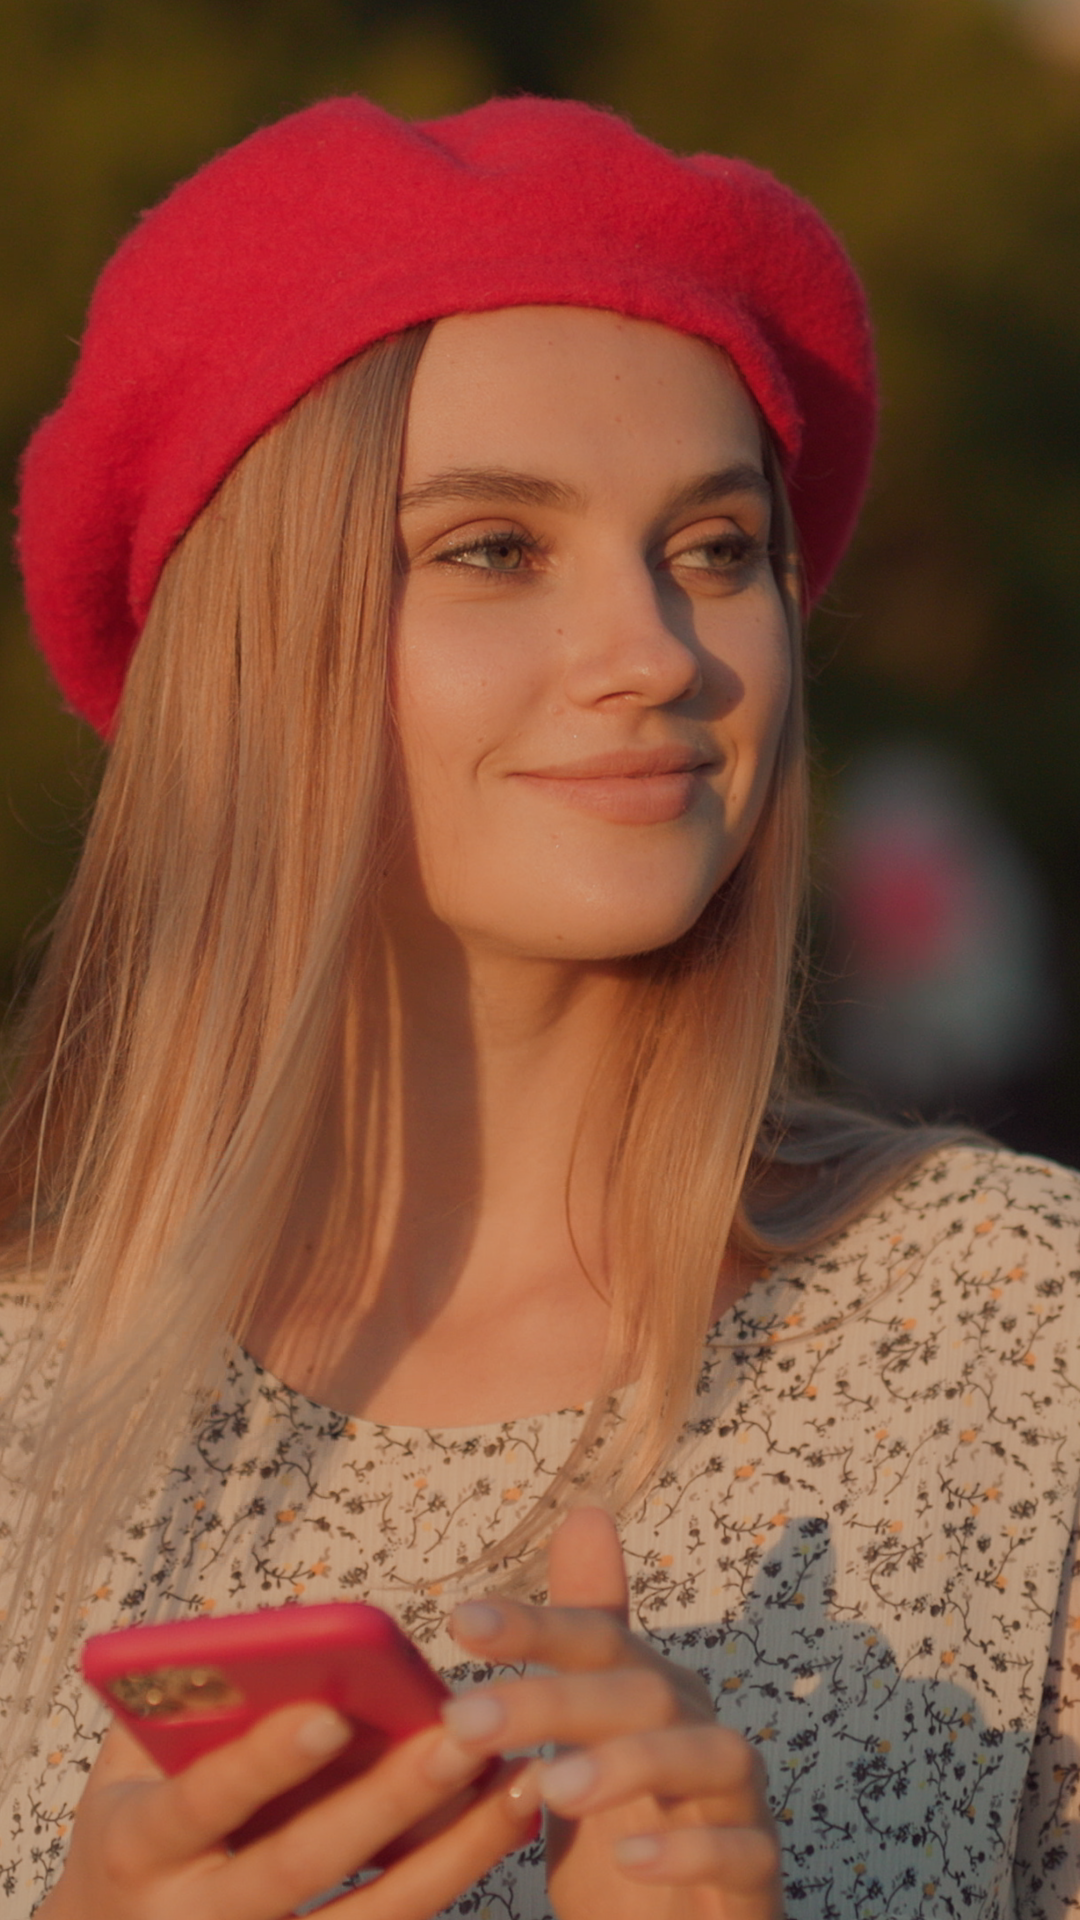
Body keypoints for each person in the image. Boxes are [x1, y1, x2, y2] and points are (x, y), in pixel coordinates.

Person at [1, 93, 1078, 1920]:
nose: (657, 652)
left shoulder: (1024, 1339)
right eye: (495, 546)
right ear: (251, 644)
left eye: (716, 548)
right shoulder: (30, 1402)